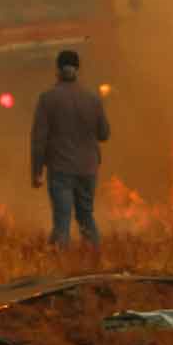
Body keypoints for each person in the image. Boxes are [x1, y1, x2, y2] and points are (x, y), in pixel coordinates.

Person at [31, 50, 110, 250]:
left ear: (57, 70)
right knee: (86, 215)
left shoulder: (47, 99)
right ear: (78, 69)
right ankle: (95, 259)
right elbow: (104, 134)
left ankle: (60, 266)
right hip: (88, 168)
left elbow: (39, 139)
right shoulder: (92, 99)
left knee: (62, 219)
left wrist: (37, 171)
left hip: (60, 169)